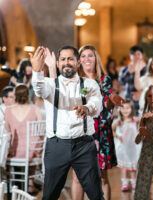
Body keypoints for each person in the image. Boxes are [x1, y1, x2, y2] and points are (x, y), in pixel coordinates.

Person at [30, 46, 104, 200]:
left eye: (70, 59)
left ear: (78, 63)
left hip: (84, 145)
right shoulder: (49, 84)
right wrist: (37, 71)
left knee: (96, 195)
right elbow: (38, 89)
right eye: (63, 59)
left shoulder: (90, 84)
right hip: (57, 146)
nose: (66, 62)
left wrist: (87, 107)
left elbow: (97, 104)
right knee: (50, 195)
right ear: (57, 64)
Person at [71, 45, 123, 200]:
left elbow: (108, 96)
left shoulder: (103, 79)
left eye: (90, 56)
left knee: (101, 177)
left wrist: (112, 100)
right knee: (77, 177)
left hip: (100, 132)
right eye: (83, 56)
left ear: (96, 59)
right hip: (79, 131)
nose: (87, 59)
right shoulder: (74, 80)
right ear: (79, 60)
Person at [4, 84, 42, 193]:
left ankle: (15, 185)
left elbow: (7, 132)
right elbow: (40, 130)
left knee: (6, 150)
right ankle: (29, 182)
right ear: (27, 95)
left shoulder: (8, 110)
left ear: (15, 96)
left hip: (14, 152)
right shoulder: (35, 109)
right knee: (34, 145)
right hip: (32, 151)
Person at [134, 85, 153, 200]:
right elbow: (137, 141)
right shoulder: (144, 116)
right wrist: (141, 133)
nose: (152, 98)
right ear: (146, 98)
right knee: (142, 187)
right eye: (149, 96)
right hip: (146, 154)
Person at [112, 100, 141, 191]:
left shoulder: (134, 120)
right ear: (119, 109)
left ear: (132, 109)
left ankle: (133, 182)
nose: (125, 110)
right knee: (124, 167)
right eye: (123, 108)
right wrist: (117, 135)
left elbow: (141, 128)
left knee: (132, 167)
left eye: (128, 108)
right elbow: (113, 131)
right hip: (123, 148)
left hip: (132, 147)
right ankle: (124, 183)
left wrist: (140, 121)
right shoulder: (118, 121)